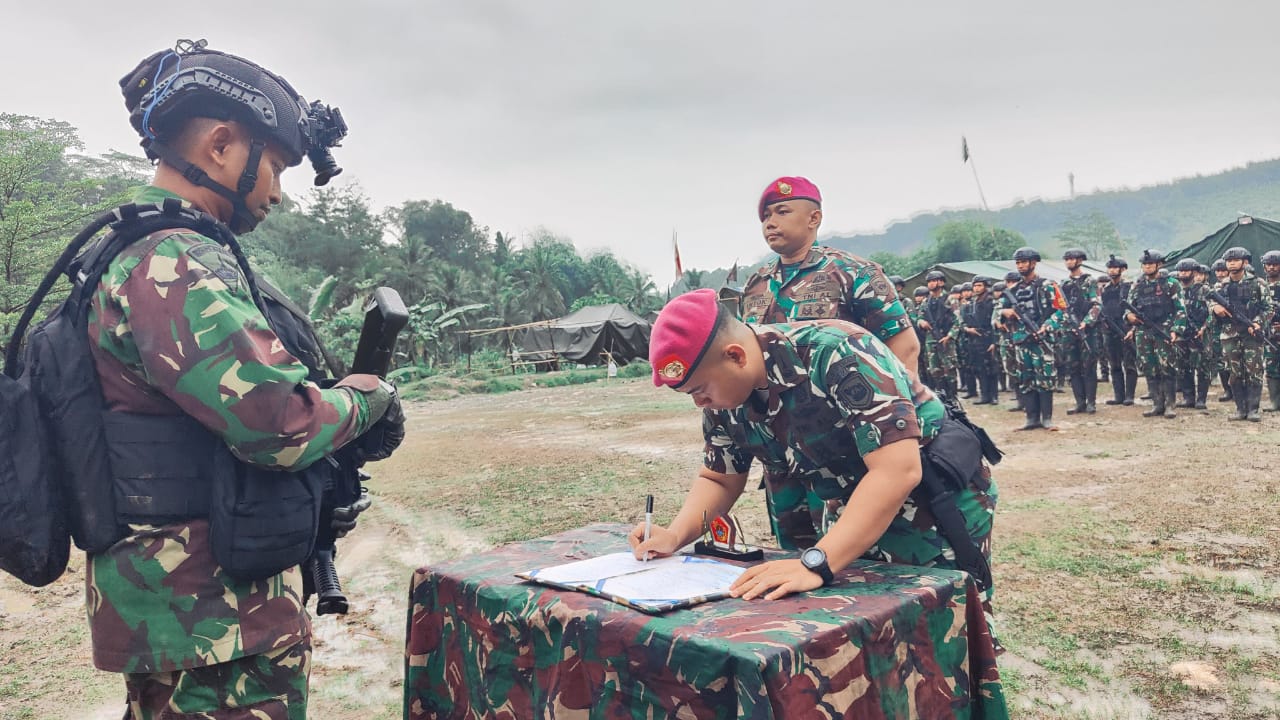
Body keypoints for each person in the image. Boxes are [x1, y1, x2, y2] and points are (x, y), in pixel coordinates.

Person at [72, 40, 405, 719]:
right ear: (222, 145)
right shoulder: (173, 259)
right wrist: (369, 398)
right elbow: (279, 424)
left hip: (191, 610)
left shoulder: (146, 247)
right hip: (210, 617)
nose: (276, 192)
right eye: (275, 167)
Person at [632, 289, 998, 618]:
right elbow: (720, 477)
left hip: (933, 503)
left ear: (736, 356)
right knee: (865, 630)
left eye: (699, 390)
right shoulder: (724, 400)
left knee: (945, 624)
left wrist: (816, 562)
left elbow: (897, 471)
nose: (699, 402)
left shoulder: (837, 351)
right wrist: (674, 535)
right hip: (852, 511)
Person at [740, 177, 919, 373]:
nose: (770, 223)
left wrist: (894, 392)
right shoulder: (755, 284)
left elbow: (904, 348)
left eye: (782, 212)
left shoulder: (854, 272)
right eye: (766, 216)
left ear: (813, 219)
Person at [998, 247, 1065, 430]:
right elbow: (998, 311)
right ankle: (1031, 418)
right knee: (1025, 378)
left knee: (1045, 378)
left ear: (1033, 263)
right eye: (1018, 263)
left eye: (1023, 262)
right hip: (1022, 340)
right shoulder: (1013, 290)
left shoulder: (1047, 285)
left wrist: (1047, 326)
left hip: (1042, 339)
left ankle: (1047, 418)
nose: (1020, 266)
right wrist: (1005, 312)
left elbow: (1062, 310)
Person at [1208, 246, 1275, 421]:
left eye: (1235, 260)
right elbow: (1209, 304)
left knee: (1254, 371)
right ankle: (1240, 409)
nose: (1231, 264)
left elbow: (1269, 308)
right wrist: (1215, 308)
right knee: (1234, 372)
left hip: (1251, 334)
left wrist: (1258, 323)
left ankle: (1253, 410)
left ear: (1244, 262)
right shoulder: (1220, 285)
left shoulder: (1258, 283)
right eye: (1229, 261)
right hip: (1229, 334)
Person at [1125, 249, 1188, 419]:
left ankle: (1170, 405)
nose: (1147, 267)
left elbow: (1181, 310)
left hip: (1164, 331)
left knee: (1167, 367)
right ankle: (1157, 404)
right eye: (1144, 264)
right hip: (1143, 331)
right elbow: (1129, 307)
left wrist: (1176, 330)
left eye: (1150, 264)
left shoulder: (1171, 284)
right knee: (1149, 367)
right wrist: (1129, 316)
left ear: (1159, 265)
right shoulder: (1137, 285)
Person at [1059, 249, 1102, 414]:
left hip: (1087, 330)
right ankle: (1080, 402)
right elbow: (1060, 307)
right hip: (1069, 330)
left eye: (1072, 259)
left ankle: (1091, 402)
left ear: (1080, 261)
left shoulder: (1090, 281)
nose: (1069, 262)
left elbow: (1097, 305)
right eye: (1067, 259)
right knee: (1073, 366)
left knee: (1089, 366)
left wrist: (1086, 322)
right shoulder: (1064, 284)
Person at [1099, 256, 1137, 405]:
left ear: (1123, 269)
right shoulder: (1106, 289)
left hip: (1125, 328)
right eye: (1110, 268)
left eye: (1115, 268)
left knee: (1129, 364)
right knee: (1114, 364)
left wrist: (1132, 329)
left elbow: (1135, 309)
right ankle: (1118, 396)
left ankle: (1129, 396)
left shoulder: (1129, 287)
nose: (1112, 271)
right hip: (1110, 329)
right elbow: (1103, 308)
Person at [1173, 258, 1211, 408]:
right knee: (1183, 366)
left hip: (1200, 333)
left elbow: (1212, 311)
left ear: (1194, 272)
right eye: (1181, 271)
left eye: (1186, 271)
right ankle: (1188, 398)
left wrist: (1204, 327)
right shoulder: (1176, 290)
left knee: (1202, 366)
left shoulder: (1204, 290)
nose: (1183, 274)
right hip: (1181, 333)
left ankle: (1201, 399)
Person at [919, 271, 961, 395]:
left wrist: (949, 336)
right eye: (929, 281)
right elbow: (919, 317)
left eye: (933, 281)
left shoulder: (950, 300)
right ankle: (942, 397)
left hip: (946, 338)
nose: (930, 284)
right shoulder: (926, 301)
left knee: (949, 369)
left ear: (941, 282)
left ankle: (952, 398)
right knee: (935, 371)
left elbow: (958, 320)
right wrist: (921, 322)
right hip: (931, 340)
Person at [961, 275, 1000, 404]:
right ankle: (984, 395)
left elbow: (996, 322)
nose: (977, 288)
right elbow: (964, 320)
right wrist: (967, 329)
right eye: (975, 286)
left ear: (985, 286)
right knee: (979, 368)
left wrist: (994, 342)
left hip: (988, 337)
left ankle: (994, 396)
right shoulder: (972, 303)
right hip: (975, 339)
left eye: (979, 285)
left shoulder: (991, 302)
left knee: (992, 368)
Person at [1262, 251, 1280, 412]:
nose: (1272, 267)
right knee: (1271, 367)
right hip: (1269, 334)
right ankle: (1275, 402)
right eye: (1269, 264)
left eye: (1275, 264)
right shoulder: (1261, 286)